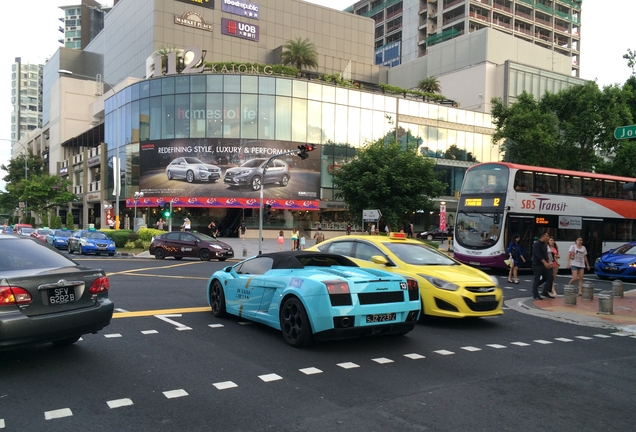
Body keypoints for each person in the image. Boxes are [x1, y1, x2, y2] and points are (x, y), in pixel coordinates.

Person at [531, 232, 554, 300]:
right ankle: (535, 293)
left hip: (545, 264)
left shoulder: (545, 244)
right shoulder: (536, 244)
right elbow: (538, 255)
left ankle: (545, 291)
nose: (548, 238)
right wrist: (545, 262)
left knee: (550, 277)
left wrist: (549, 263)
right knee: (537, 278)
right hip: (537, 264)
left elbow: (546, 255)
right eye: (547, 236)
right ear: (542, 237)